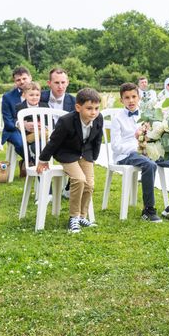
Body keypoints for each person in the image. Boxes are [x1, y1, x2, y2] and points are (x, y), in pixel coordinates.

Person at [111, 83, 169, 222]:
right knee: (150, 165)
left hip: (150, 150)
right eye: (127, 98)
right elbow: (115, 146)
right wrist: (138, 146)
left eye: (134, 96)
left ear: (139, 97)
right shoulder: (117, 118)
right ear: (121, 100)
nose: (131, 100)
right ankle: (148, 210)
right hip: (127, 154)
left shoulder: (148, 114)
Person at [36, 88, 102, 233]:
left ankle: (82, 216)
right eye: (89, 108)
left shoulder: (98, 118)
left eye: (96, 108)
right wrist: (43, 159)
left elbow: (97, 140)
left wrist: (93, 159)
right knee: (79, 179)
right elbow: (54, 142)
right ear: (78, 107)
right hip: (67, 153)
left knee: (89, 184)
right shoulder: (66, 121)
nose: (93, 112)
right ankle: (74, 217)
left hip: (86, 154)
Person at [1, 66, 32, 165]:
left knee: (41, 144)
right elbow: (8, 121)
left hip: (34, 128)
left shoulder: (38, 93)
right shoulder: (7, 97)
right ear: (15, 81)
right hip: (14, 130)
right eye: (18, 80)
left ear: (30, 78)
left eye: (24, 78)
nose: (22, 82)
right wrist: (21, 124)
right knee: (20, 143)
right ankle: (32, 162)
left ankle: (26, 163)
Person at [15, 81, 49, 162]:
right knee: (45, 136)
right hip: (28, 136)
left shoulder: (45, 106)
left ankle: (38, 165)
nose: (34, 97)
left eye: (37, 95)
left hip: (42, 137)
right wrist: (23, 124)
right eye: (31, 95)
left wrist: (44, 125)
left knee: (40, 145)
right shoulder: (20, 107)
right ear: (25, 95)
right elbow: (15, 120)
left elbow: (50, 121)